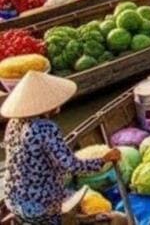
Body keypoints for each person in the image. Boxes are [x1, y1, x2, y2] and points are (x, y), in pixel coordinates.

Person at [2, 71, 122, 225]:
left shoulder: (13, 123)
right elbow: (72, 166)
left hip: (12, 198)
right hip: (39, 205)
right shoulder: (45, 128)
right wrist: (103, 160)